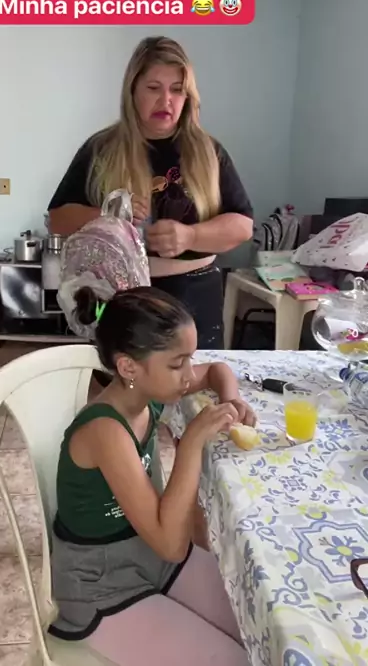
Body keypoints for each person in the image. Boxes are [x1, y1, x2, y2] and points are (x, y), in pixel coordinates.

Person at [49, 286, 254, 665]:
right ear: (129, 368)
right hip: (101, 584)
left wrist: (232, 398)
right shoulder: (105, 430)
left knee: (254, 621)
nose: (188, 375)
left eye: (189, 359)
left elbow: (217, 371)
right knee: (231, 660)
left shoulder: (148, 391)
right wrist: (191, 442)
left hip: (149, 553)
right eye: (177, 365)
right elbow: (172, 545)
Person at [48, 36, 253, 350]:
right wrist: (110, 215)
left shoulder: (210, 152)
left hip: (196, 297)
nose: (166, 100)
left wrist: (191, 236)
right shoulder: (101, 149)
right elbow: (58, 219)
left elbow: (243, 226)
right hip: (118, 299)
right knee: (123, 381)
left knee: (195, 381)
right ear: (133, 91)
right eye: (153, 88)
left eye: (177, 90)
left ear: (187, 96)